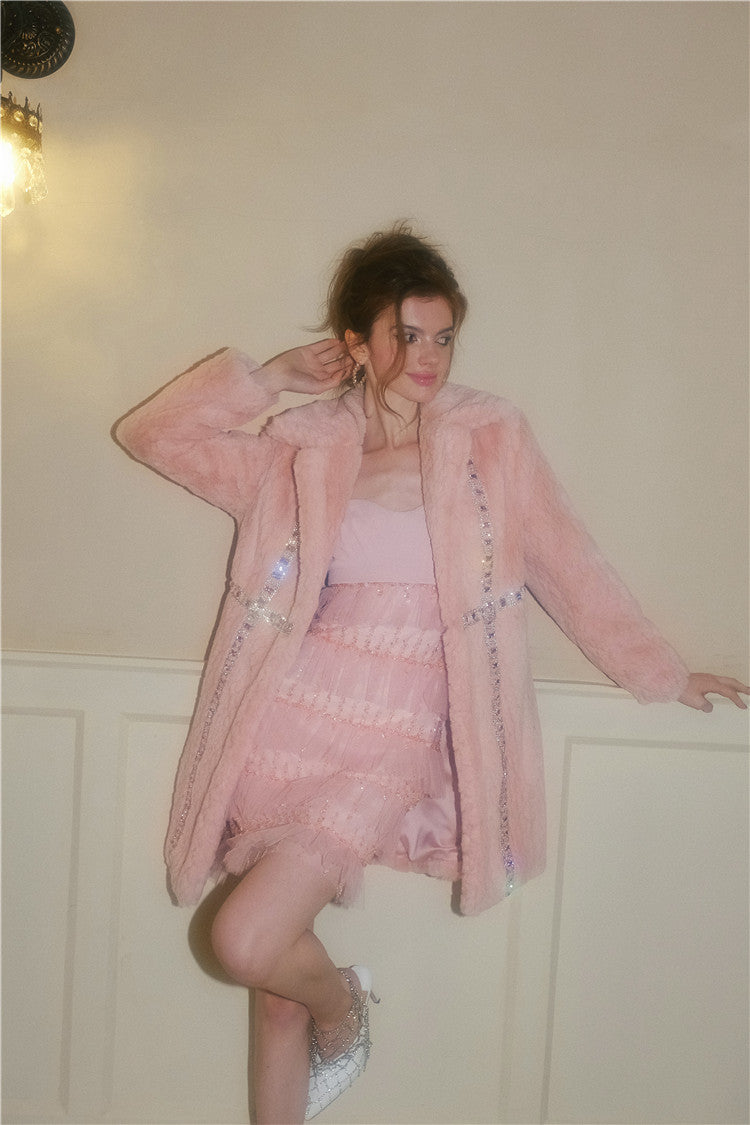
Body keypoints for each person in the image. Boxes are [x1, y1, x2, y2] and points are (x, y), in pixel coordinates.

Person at [115, 224, 748, 1125]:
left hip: (393, 730)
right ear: (357, 342)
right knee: (274, 993)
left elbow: (565, 559)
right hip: (288, 719)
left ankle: (345, 1005)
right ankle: (314, 1018)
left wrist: (662, 672)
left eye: (444, 337)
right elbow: (153, 434)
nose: (429, 357)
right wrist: (271, 379)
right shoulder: (302, 449)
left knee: (244, 939)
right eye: (407, 335)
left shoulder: (487, 439)